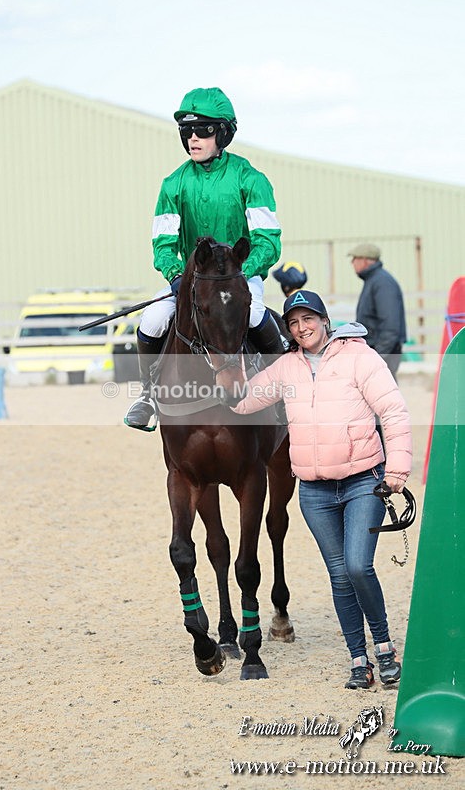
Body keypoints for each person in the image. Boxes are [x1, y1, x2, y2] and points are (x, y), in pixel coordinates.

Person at [232, 289, 413, 689]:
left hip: (364, 480)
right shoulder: (286, 367)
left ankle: (383, 646)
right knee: (339, 576)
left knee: (356, 566)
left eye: (307, 319)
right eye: (293, 323)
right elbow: (243, 400)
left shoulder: (359, 357)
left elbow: (393, 410)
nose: (301, 329)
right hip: (314, 491)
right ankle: (358, 659)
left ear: (325, 320)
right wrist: (220, 367)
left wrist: (397, 467)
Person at [124, 87, 286, 431]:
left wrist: (241, 272)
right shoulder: (172, 185)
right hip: (192, 280)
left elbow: (268, 242)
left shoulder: (251, 179)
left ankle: (286, 393)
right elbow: (163, 244)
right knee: (152, 319)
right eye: (187, 132)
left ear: (223, 133)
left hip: (241, 277)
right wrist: (175, 276)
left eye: (203, 131)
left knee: (256, 314)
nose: (193, 138)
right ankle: (147, 395)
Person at [348, 243, 407, 381]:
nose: (352, 263)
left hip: (383, 351)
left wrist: (378, 356)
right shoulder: (375, 281)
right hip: (377, 349)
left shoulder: (382, 283)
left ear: (365, 260)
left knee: (384, 391)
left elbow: (390, 325)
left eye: (354, 258)